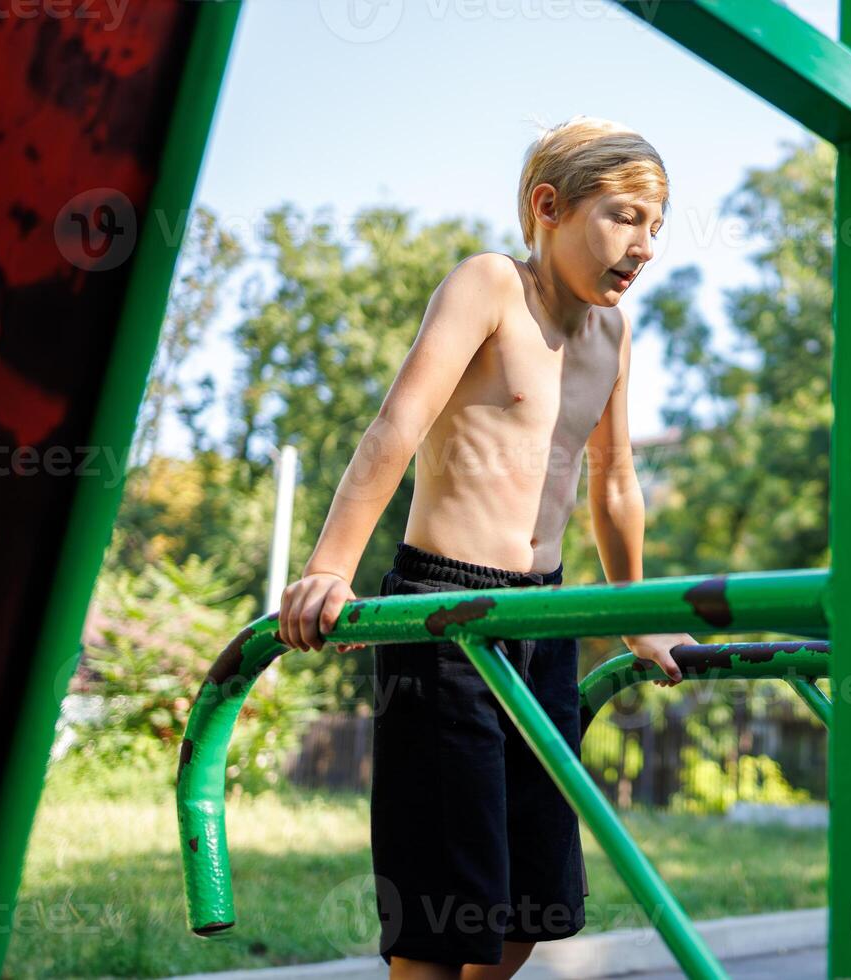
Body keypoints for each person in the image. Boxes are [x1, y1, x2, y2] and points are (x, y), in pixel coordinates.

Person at [275, 115, 691, 980]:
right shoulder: (489, 287)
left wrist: (639, 617)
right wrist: (328, 567)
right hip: (443, 617)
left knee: (530, 910)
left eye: (657, 225)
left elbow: (614, 484)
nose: (645, 245)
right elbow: (396, 427)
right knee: (441, 915)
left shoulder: (612, 339)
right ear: (548, 205)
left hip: (548, 614)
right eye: (624, 216)